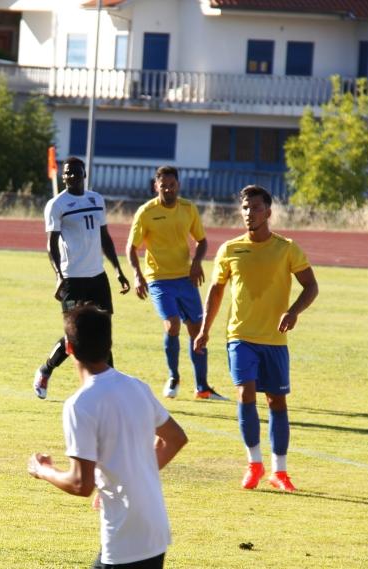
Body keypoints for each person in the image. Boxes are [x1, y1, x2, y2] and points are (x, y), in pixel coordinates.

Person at [28, 304, 188, 568]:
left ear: (68, 348)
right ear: (109, 344)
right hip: (154, 530)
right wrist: (130, 477)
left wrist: (43, 469)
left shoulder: (80, 404)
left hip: (124, 539)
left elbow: (81, 484)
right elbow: (175, 438)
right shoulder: (137, 387)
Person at [194, 185, 318, 492]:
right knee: (244, 394)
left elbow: (311, 286)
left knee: (276, 400)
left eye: (256, 208)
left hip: (274, 340)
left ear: (268, 212)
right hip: (240, 335)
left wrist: (293, 312)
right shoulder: (230, 249)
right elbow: (216, 291)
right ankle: (254, 463)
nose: (249, 213)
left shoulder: (287, 248)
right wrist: (204, 330)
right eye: (245, 208)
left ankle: (280, 470)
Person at [127, 166, 227, 401]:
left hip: (185, 278)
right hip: (159, 279)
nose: (168, 189)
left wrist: (197, 264)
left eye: (172, 185)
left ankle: (202, 387)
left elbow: (202, 242)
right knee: (172, 325)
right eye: (164, 186)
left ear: (178, 185)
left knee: (197, 332)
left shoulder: (188, 209)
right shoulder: (146, 212)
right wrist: (137, 275)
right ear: (156, 187)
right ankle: (173, 376)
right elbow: (131, 248)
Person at [33, 157, 130, 399]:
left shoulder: (96, 200)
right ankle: (46, 369)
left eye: (77, 172)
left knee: (103, 333)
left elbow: (105, 237)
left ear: (84, 174)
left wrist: (117, 269)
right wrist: (58, 276)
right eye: (68, 173)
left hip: (97, 277)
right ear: (63, 176)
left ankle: (110, 387)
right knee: (76, 336)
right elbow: (51, 245)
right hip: (72, 280)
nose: (72, 176)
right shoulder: (57, 205)